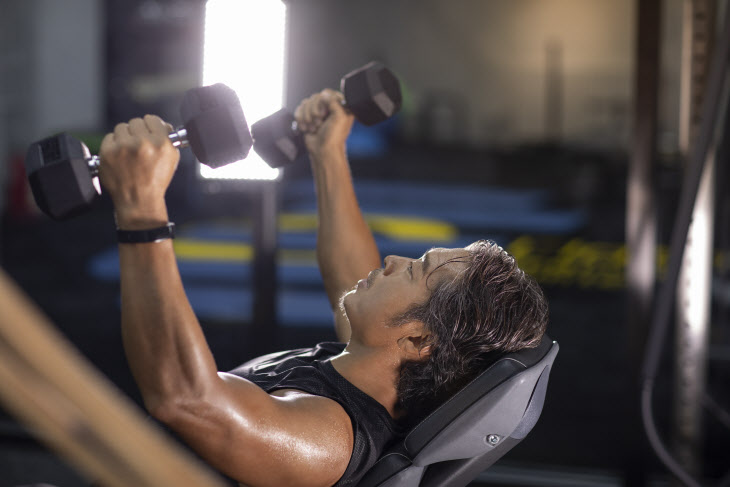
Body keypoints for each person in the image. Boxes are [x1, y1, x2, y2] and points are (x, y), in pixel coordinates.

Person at [98, 89, 548, 487]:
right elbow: (350, 274)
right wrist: (328, 152)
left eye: (414, 271)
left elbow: (188, 400)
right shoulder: (371, 369)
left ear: (416, 340)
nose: (392, 261)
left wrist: (142, 212)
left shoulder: (329, 440)